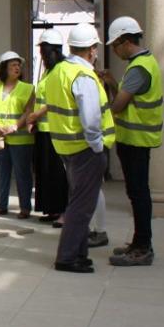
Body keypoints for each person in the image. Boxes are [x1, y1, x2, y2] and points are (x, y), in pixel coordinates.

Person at [44, 23, 114, 273]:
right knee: (81, 206)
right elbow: (91, 118)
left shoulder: (59, 71)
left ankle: (80, 253)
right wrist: (97, 146)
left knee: (78, 201)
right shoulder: (83, 76)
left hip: (66, 146)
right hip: (85, 148)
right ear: (92, 50)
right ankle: (68, 257)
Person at [103, 16, 162, 267]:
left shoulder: (139, 68)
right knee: (136, 192)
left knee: (138, 193)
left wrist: (104, 98)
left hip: (136, 139)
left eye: (114, 46)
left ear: (125, 41)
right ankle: (139, 243)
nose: (114, 51)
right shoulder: (143, 63)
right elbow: (129, 98)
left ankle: (143, 247)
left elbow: (118, 106)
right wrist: (114, 83)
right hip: (136, 138)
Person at [0, 51, 35, 218]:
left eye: (18, 64)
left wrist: (16, 126)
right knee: (2, 173)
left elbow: (29, 111)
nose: (17, 67)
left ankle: (25, 207)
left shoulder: (27, 88)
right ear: (4, 68)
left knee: (23, 174)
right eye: (13, 65)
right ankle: (1, 205)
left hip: (20, 139)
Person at [24, 29, 68, 224]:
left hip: (56, 129)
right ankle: (51, 209)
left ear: (54, 51)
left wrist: (35, 115)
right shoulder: (48, 71)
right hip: (43, 130)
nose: (41, 56)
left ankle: (63, 211)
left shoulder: (61, 70)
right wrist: (34, 120)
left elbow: (55, 101)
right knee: (44, 172)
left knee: (58, 173)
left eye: (43, 52)